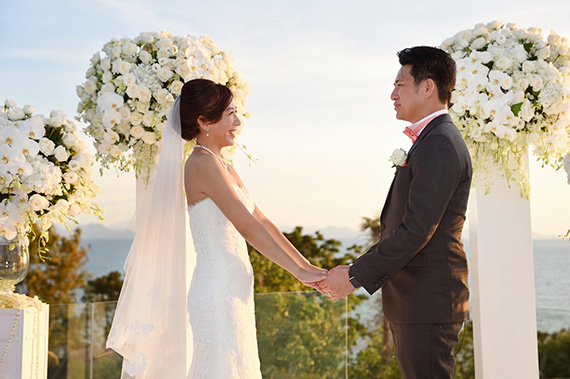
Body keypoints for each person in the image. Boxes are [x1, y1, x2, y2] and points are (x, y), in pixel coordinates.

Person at [107, 78, 327, 379]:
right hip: (216, 289)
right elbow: (247, 228)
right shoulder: (201, 164)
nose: (238, 122)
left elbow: (263, 221)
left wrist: (306, 266)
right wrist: (298, 274)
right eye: (231, 114)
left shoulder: (225, 166)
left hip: (235, 287)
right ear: (204, 121)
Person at [319, 46, 472, 378]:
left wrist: (353, 276)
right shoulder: (431, 140)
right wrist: (355, 270)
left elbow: (416, 230)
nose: (392, 94)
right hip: (419, 301)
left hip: (427, 302)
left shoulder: (440, 143)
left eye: (399, 84)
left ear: (427, 87)